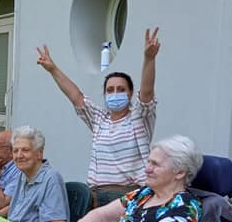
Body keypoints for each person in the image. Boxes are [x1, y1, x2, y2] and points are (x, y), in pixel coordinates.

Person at [36, 27, 161, 209]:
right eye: (110, 90)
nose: (115, 93)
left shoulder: (139, 118)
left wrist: (149, 58)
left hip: (129, 197)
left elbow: (148, 92)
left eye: (121, 89)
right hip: (96, 197)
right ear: (104, 94)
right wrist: (53, 69)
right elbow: (76, 96)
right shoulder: (99, 119)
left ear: (131, 93)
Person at [52, 135, 202, 222]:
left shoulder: (184, 207)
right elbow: (101, 216)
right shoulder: (144, 194)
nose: (147, 169)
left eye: (155, 164)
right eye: (148, 162)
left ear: (180, 173)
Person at [5, 126, 69, 222]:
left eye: (25, 150)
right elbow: (17, 208)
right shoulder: (23, 174)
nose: (19, 156)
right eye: (15, 151)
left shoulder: (51, 178)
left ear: (39, 153)